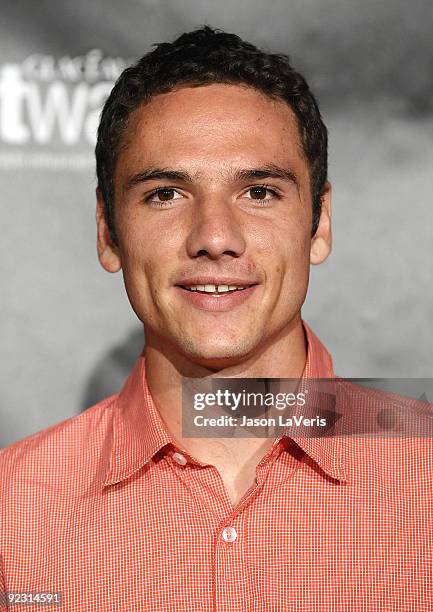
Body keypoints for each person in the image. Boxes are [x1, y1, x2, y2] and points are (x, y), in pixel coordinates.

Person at [0, 25, 431, 612]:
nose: (215, 238)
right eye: (165, 194)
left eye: (258, 192)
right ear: (108, 232)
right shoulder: (12, 509)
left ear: (320, 222)